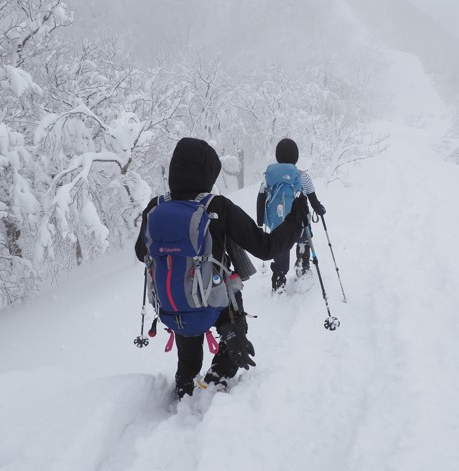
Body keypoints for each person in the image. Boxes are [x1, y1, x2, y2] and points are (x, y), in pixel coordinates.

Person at [134, 137, 308, 399]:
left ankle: (186, 390)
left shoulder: (155, 207)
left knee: (188, 361)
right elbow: (266, 247)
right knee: (233, 348)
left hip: (175, 308)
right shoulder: (218, 207)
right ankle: (216, 384)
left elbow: (141, 253)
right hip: (219, 304)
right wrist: (296, 219)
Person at [256, 138, 326, 292]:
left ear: (277, 156)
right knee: (304, 241)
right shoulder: (302, 177)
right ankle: (302, 269)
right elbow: (313, 198)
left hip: (277, 225)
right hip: (300, 223)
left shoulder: (268, 177)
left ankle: (279, 279)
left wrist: (260, 223)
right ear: (296, 156)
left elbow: (261, 199)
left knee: (280, 248)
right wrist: (319, 209)